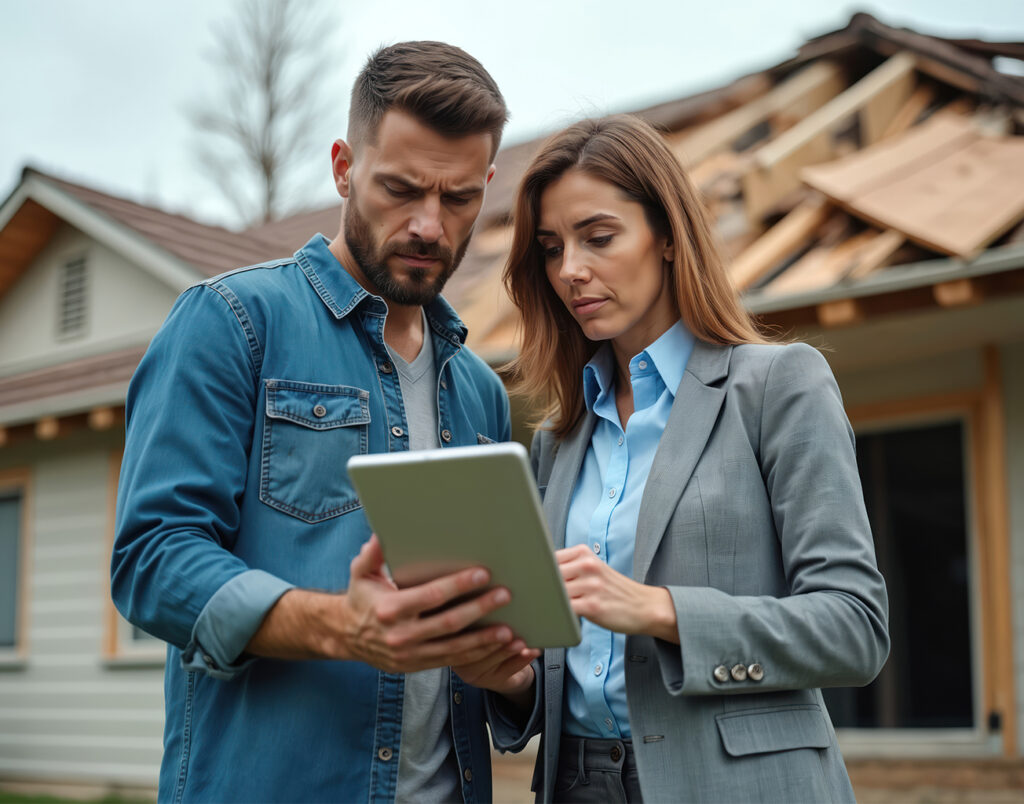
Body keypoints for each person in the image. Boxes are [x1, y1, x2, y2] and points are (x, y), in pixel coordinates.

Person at [111, 41, 537, 804]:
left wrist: (513, 679)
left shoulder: (481, 393)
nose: (431, 226)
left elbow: (488, 632)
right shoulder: (233, 323)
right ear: (343, 166)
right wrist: (339, 626)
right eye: (401, 189)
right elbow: (152, 558)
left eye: (459, 198)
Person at [491, 115, 890, 803]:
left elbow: (854, 628)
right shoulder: (555, 441)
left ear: (669, 236)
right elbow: (559, 672)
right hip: (576, 783)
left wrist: (662, 611)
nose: (570, 271)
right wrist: (510, 675)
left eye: (599, 237)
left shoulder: (777, 387)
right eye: (552, 249)